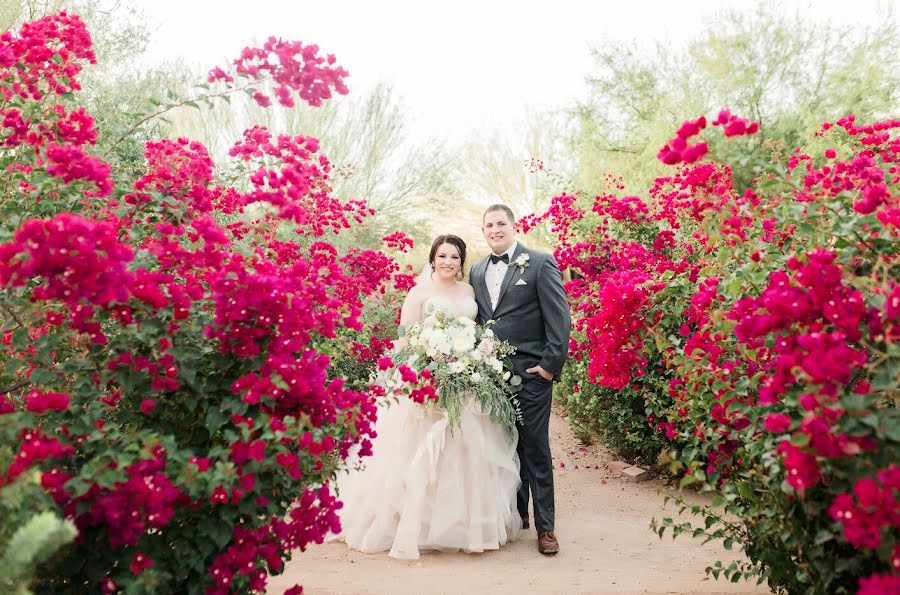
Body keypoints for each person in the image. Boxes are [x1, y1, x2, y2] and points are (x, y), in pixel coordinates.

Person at [333, 234, 522, 560]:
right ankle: (411, 522)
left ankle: (463, 524)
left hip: (464, 380)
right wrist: (427, 366)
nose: (448, 262)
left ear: (461, 262)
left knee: (465, 452)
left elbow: (474, 332)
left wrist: (469, 362)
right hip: (424, 381)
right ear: (433, 258)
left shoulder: (468, 292)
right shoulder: (419, 293)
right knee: (413, 451)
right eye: (443, 256)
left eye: (454, 257)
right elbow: (405, 340)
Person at [469, 204, 571, 555]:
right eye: (489, 225)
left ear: (514, 227)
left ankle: (546, 528)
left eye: (501, 223)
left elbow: (560, 319)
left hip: (531, 373)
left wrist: (548, 366)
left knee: (535, 447)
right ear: (483, 231)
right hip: (491, 377)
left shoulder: (540, 263)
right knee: (503, 444)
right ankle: (517, 515)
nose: (495, 229)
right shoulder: (477, 270)